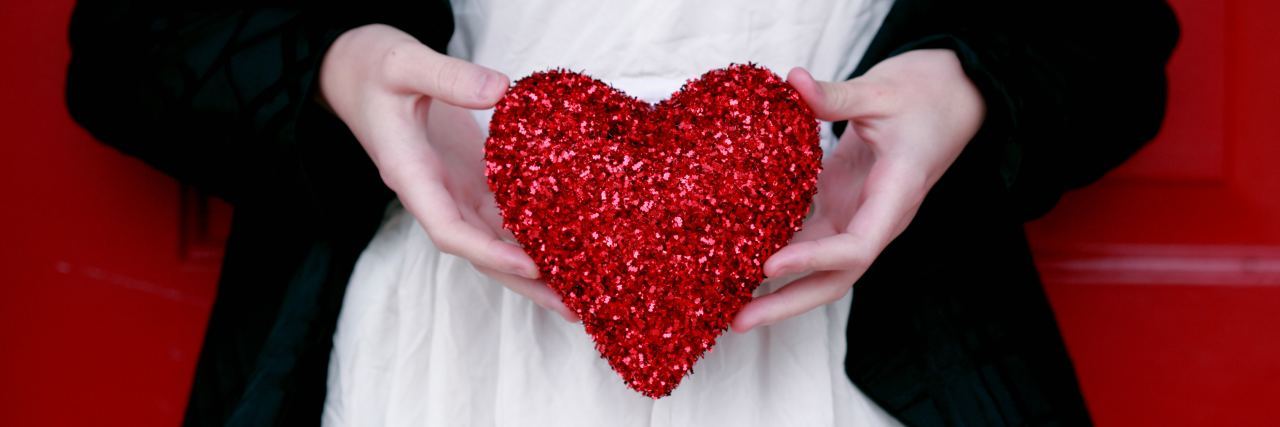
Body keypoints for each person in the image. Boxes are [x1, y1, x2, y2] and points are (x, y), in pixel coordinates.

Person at [65, 0, 1178, 425]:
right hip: (431, 346)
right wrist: (336, 68)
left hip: (877, 341)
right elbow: (131, 38)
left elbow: (1107, 32)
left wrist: (963, 85)